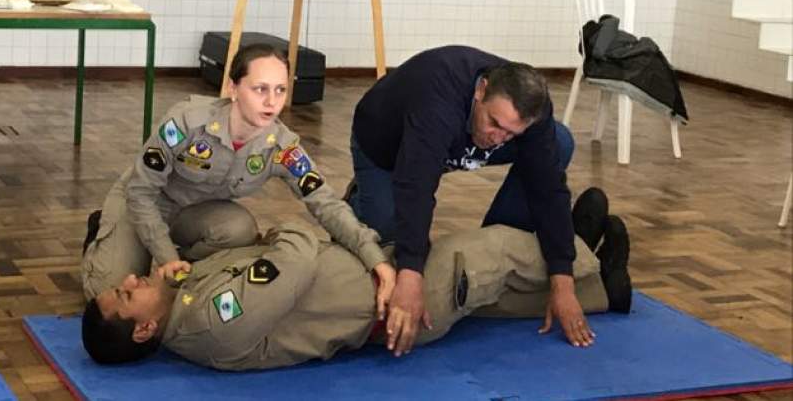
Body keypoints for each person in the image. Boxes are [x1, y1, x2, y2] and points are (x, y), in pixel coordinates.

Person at [81, 188, 632, 369]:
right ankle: (574, 252)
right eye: (127, 295)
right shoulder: (209, 319)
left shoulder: (188, 297)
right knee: (487, 254)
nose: (131, 279)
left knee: (488, 298)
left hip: (371, 281)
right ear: (142, 330)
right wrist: (294, 228)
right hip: (388, 305)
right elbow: (291, 260)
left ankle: (606, 289)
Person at [81, 43, 393, 306]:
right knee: (104, 295)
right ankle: (104, 229)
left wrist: (373, 256)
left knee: (239, 229)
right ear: (233, 88)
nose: (271, 102)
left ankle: (182, 262)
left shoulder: (281, 146)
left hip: (193, 215)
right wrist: (165, 257)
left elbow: (325, 203)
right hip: (143, 204)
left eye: (280, 90)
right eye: (260, 89)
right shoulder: (187, 123)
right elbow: (140, 191)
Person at [346, 45, 608, 355]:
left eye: (512, 134)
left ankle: (499, 243)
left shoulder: (530, 111)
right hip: (384, 147)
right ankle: (359, 200)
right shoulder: (438, 99)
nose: (498, 139)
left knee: (557, 142)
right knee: (390, 249)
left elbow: (548, 190)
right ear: (480, 91)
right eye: (495, 123)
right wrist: (411, 272)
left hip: (440, 145)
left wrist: (564, 282)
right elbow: (415, 186)